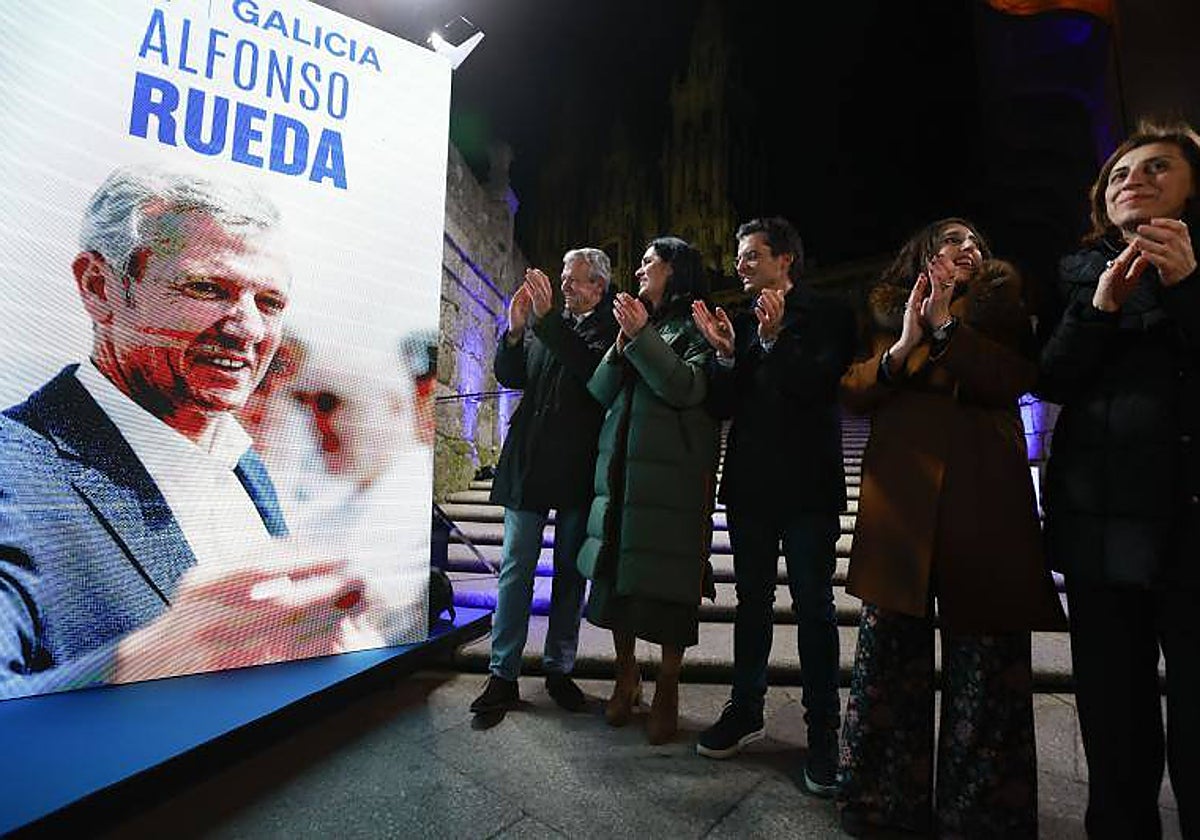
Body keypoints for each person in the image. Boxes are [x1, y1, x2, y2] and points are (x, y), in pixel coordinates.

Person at [0, 164, 365, 699]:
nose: (249, 329)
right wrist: (147, 662)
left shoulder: (240, 461)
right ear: (99, 287)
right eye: (207, 288)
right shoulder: (14, 473)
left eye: (270, 302)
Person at [837, 218, 1066, 837]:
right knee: (889, 664)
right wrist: (903, 344)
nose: (968, 248)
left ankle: (981, 814)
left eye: (975, 243)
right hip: (900, 509)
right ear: (923, 254)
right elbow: (855, 389)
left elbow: (1013, 378)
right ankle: (882, 801)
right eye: (952, 240)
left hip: (983, 505)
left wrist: (946, 329)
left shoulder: (1001, 308)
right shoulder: (888, 311)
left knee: (987, 671)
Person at [1038, 121, 1200, 839]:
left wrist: (1187, 285)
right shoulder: (1079, 276)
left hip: (1190, 524)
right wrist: (1100, 308)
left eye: (1157, 167)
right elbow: (1053, 378)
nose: (1133, 179)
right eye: (1119, 174)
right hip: (1101, 527)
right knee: (1114, 723)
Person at [690, 217, 855, 794]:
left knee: (815, 606)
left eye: (752, 255)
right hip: (751, 486)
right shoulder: (737, 322)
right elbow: (721, 406)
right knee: (752, 602)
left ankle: (824, 729)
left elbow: (819, 386)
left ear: (785, 259)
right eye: (739, 256)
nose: (740, 265)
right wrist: (726, 357)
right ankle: (745, 707)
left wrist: (778, 337)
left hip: (809, 486)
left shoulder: (830, 315)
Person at [575, 235, 719, 745]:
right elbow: (599, 390)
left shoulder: (699, 324)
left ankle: (668, 685)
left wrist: (641, 337)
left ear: (674, 269)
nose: (638, 271)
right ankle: (626, 673)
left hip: (672, 477)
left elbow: (686, 387)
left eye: (647, 262)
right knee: (618, 579)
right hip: (622, 472)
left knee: (671, 589)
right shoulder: (636, 324)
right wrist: (622, 343)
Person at [469, 249, 618, 715]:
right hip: (530, 461)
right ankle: (502, 673)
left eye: (574, 280)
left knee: (570, 574)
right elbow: (513, 375)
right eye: (564, 278)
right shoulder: (546, 323)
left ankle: (559, 668)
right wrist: (515, 330)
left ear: (598, 287)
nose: (565, 286)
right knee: (516, 567)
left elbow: (590, 370)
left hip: (576, 467)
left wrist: (546, 319)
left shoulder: (610, 329)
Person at [286, 332, 440, 648]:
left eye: (328, 403)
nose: (315, 423)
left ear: (393, 406)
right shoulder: (327, 504)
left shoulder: (418, 495)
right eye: (304, 403)